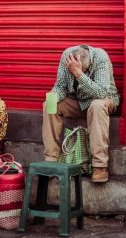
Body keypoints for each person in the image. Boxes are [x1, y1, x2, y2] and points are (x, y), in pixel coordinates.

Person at [42, 45, 119, 183]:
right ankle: (51, 160)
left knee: (97, 105)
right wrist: (55, 95)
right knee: (49, 105)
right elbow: (60, 86)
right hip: (77, 101)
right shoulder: (67, 56)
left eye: (84, 70)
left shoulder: (101, 57)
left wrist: (78, 74)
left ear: (90, 64)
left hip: (103, 100)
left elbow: (101, 92)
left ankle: (100, 166)